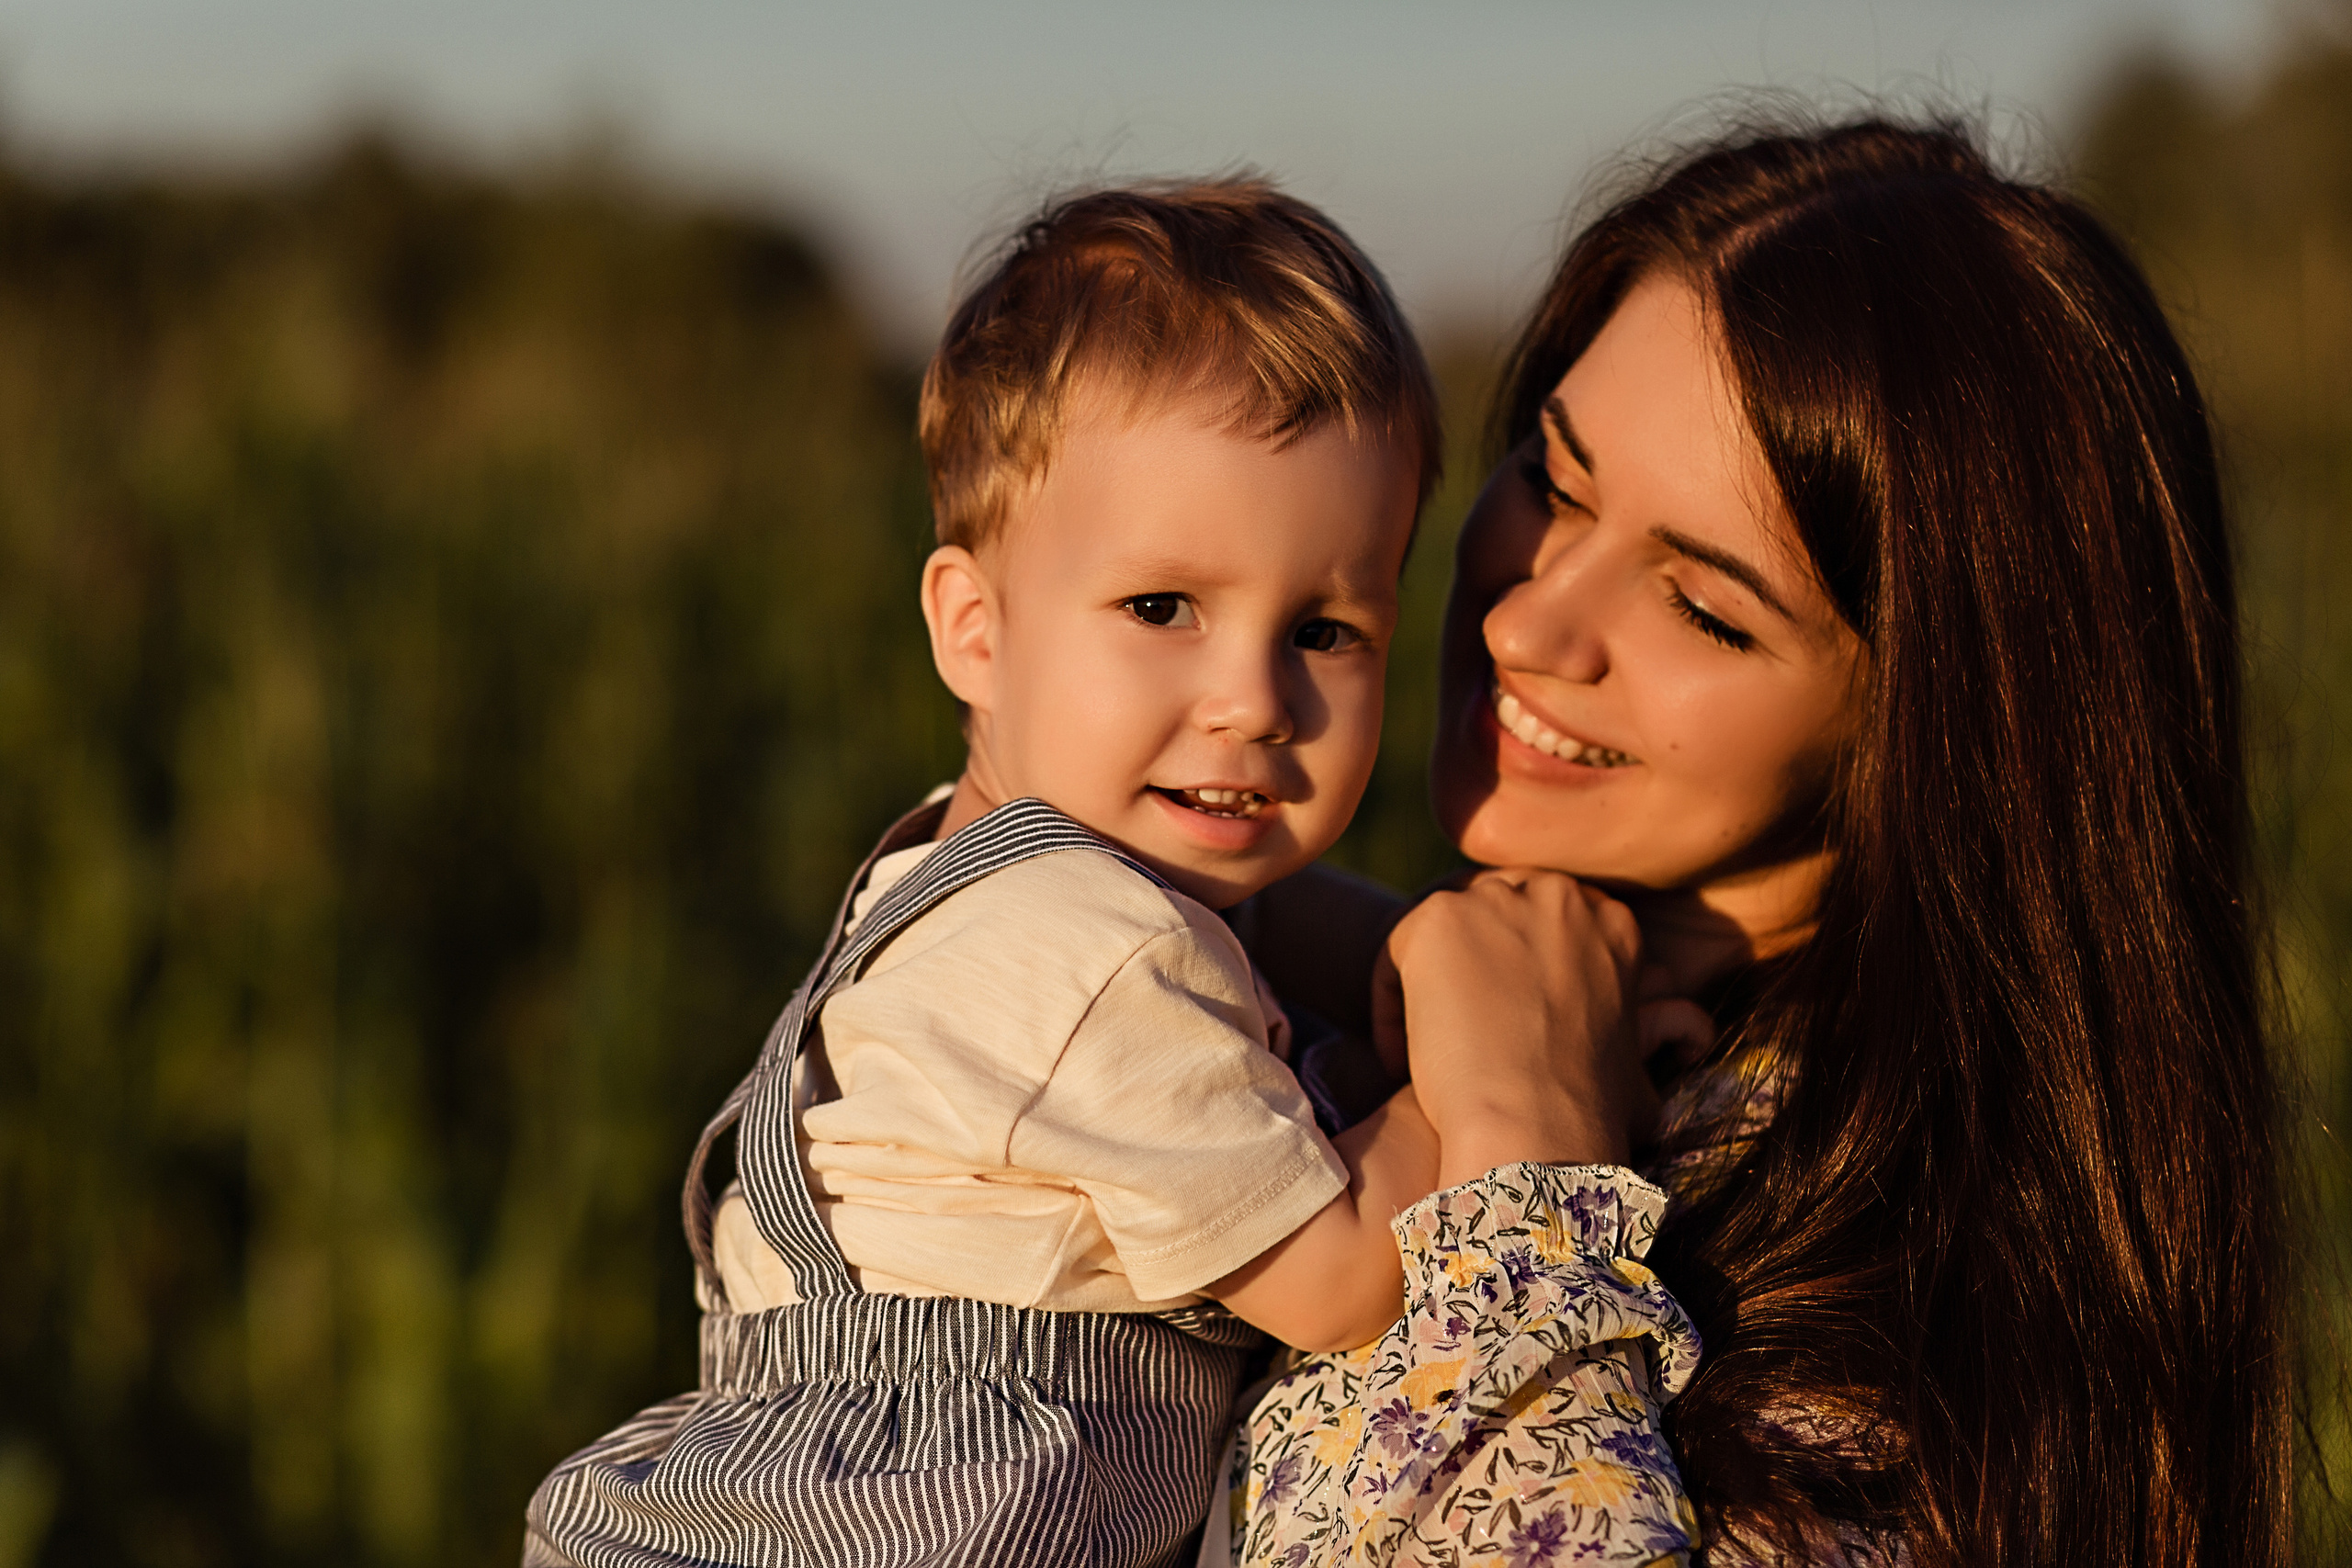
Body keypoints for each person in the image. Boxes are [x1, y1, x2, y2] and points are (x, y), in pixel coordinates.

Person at [1218, 118, 2290, 1566]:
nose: (1529, 619)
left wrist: (1530, 1157)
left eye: (1705, 608)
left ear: (1933, 733)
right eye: (1555, 479)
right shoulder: (1405, 990)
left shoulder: (1899, 1340)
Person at [523, 179, 1451, 1568]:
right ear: (974, 629)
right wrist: (1498, 1057)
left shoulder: (981, 878)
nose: (1254, 700)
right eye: (1162, 608)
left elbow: (1274, 925)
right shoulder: (1090, 955)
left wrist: (1426, 950)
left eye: (1325, 630)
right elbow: (1345, 1280)